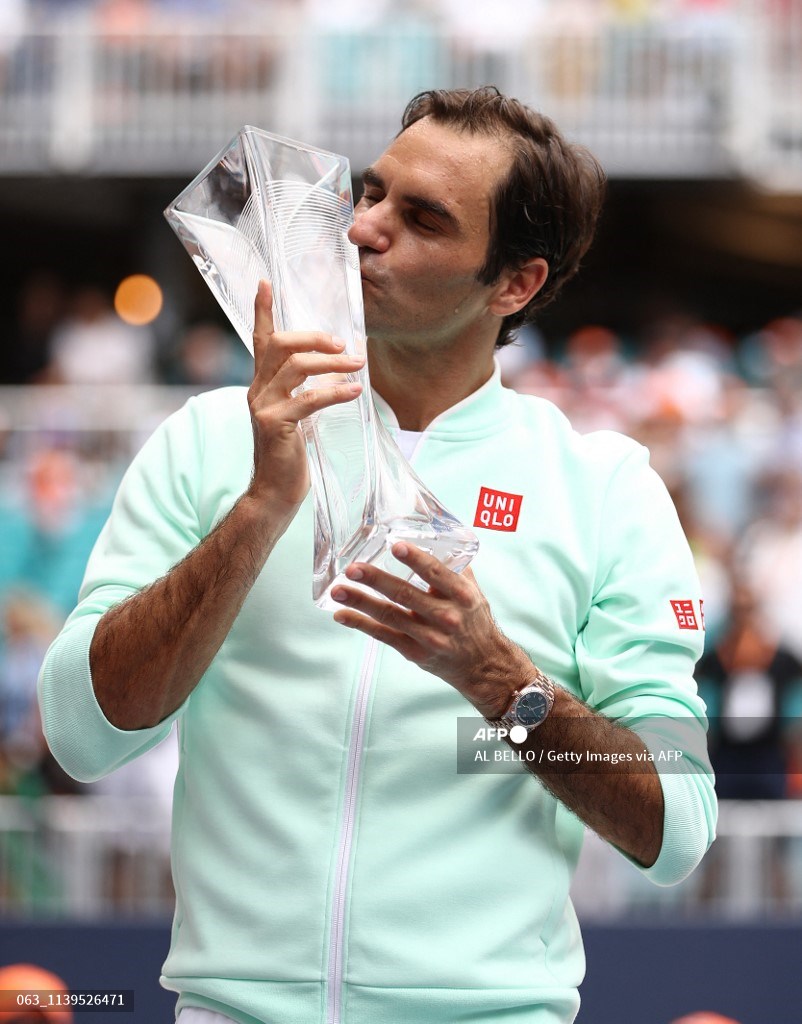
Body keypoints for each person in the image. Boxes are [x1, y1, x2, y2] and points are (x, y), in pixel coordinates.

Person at [39, 87, 716, 1024]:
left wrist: (500, 685)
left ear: (514, 283)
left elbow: (679, 825)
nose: (362, 229)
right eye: (369, 193)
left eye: (423, 219)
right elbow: (80, 733)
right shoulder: (207, 439)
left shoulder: (604, 486)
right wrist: (261, 509)